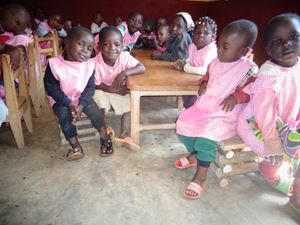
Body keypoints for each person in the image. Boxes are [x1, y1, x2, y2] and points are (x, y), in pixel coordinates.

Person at [175, 19, 258, 199]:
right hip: (205, 106)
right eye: (219, 44)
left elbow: (252, 91)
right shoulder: (215, 62)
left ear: (243, 51)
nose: (219, 50)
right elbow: (207, 75)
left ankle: (200, 177)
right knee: (182, 123)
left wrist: (236, 97)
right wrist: (204, 82)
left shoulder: (248, 69)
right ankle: (196, 154)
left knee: (207, 136)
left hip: (225, 113)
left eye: (225, 47)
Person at [236, 13, 300, 210]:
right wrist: (272, 142)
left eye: (293, 37)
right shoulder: (269, 74)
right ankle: (278, 178)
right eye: (277, 42)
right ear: (268, 50)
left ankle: (272, 169)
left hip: (284, 124)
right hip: (257, 125)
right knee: (290, 153)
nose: (287, 45)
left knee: (292, 147)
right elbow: (264, 113)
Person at [44, 26, 113, 160]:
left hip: (81, 97)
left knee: (93, 109)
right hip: (61, 99)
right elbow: (51, 88)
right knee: (63, 114)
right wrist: (69, 104)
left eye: (89, 48)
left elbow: (90, 88)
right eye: (80, 44)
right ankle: (75, 146)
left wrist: (81, 105)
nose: (85, 51)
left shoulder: (89, 65)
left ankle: (104, 136)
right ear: (67, 42)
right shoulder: (54, 65)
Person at [93, 26, 145, 149]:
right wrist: (112, 89)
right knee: (98, 102)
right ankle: (104, 130)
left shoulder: (124, 57)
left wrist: (124, 73)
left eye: (117, 44)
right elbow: (95, 84)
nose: (112, 48)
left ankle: (124, 134)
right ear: (99, 46)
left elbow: (141, 67)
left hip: (118, 92)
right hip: (103, 89)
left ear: (122, 46)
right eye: (106, 44)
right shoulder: (95, 62)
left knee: (130, 105)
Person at [174, 16, 218, 108]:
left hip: (207, 82)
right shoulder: (192, 46)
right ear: (192, 34)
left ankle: (194, 111)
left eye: (206, 33)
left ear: (213, 37)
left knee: (195, 100)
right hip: (193, 79)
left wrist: (185, 67)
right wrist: (183, 62)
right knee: (185, 92)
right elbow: (190, 59)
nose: (201, 35)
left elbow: (204, 71)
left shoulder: (211, 50)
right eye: (197, 32)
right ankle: (189, 110)